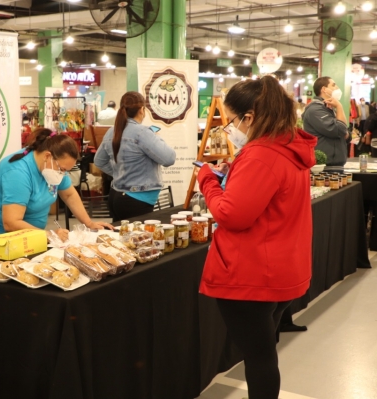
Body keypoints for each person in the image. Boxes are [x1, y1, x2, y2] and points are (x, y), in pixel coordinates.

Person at [196, 76, 316, 399]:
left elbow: (231, 214)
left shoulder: (261, 154)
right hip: (281, 267)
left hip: (252, 275)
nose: (230, 128)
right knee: (264, 352)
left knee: (259, 359)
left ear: (248, 117)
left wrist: (207, 180)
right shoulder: (289, 146)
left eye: (231, 120)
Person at [0, 128, 113, 255]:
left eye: (66, 171)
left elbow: (69, 194)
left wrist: (89, 224)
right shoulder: (17, 173)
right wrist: (49, 235)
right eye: (62, 169)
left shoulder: (54, 167)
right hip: (0, 237)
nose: (63, 174)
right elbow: (11, 222)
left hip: (34, 234)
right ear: (47, 156)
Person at [94, 92, 176, 221]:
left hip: (116, 196)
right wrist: (157, 137)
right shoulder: (142, 133)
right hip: (137, 200)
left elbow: (99, 161)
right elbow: (169, 158)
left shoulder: (111, 131)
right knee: (138, 239)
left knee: (122, 238)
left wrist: (118, 172)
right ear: (142, 110)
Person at [302, 76, 348, 166]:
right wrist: (339, 107)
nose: (337, 88)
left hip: (335, 164)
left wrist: (344, 132)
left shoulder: (328, 108)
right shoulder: (315, 110)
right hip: (323, 166)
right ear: (324, 89)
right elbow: (340, 130)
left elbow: (345, 132)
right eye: (333, 85)